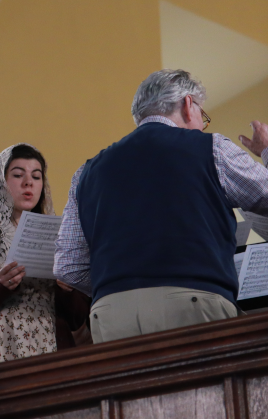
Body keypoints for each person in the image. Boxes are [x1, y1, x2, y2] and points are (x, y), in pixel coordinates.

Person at [55, 69, 268, 343]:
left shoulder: (85, 172)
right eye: (203, 116)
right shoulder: (211, 147)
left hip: (110, 315)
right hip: (191, 301)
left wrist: (121, 285)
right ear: (188, 104)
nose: (202, 126)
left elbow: (68, 267)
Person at [0, 144, 90, 363]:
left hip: (50, 350)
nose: (28, 183)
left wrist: (67, 290)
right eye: (17, 175)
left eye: (36, 176)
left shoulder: (58, 234)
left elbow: (77, 317)